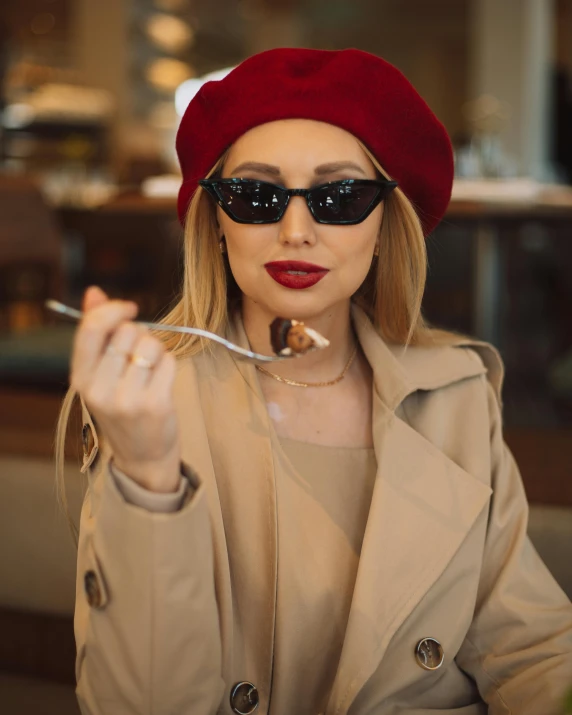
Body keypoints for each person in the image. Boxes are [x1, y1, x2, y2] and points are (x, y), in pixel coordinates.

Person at [55, 48, 572, 715]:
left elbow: (529, 644)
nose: (296, 231)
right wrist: (149, 476)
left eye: (340, 197)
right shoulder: (153, 402)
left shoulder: (459, 394)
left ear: (388, 224)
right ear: (214, 222)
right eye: (256, 196)